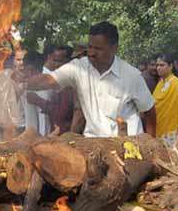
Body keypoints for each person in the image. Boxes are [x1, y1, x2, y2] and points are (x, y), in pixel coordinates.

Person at [21, 21, 156, 137]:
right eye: (90, 47)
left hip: (126, 148)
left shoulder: (131, 75)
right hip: (94, 146)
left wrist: (149, 146)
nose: (91, 53)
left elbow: (149, 111)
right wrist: (24, 83)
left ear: (114, 48)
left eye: (98, 49)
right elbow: (49, 79)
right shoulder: (79, 68)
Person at [27, 45, 75, 133]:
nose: (56, 65)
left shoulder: (70, 85)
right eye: (54, 60)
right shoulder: (55, 79)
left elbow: (60, 114)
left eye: (60, 61)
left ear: (69, 62)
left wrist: (38, 100)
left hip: (66, 135)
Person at [152, 53, 178, 145]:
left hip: (173, 132)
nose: (158, 68)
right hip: (159, 129)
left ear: (171, 66)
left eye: (162, 65)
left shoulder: (177, 84)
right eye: (157, 65)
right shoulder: (160, 83)